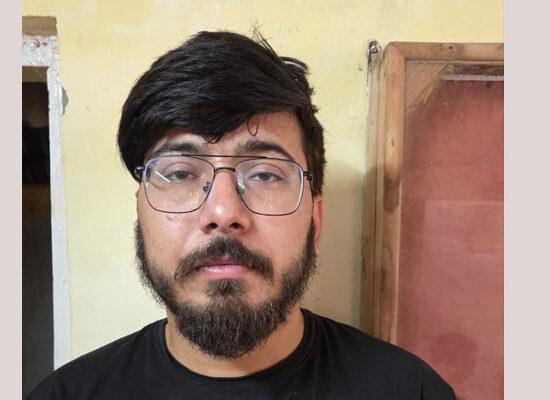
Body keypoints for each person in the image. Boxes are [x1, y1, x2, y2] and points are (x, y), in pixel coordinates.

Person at [28, 30, 455, 399]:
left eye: (265, 174)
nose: (223, 212)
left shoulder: (411, 391)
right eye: (180, 172)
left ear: (315, 221)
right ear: (141, 216)